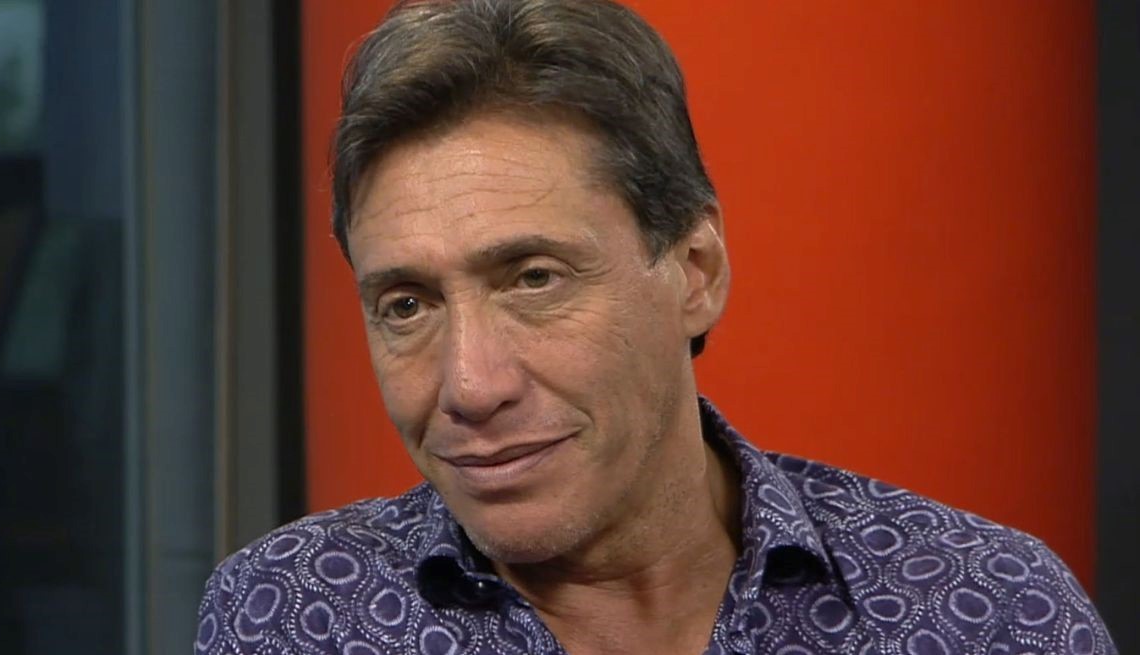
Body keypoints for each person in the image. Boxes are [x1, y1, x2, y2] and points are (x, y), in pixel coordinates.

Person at [195, 0, 1117, 652]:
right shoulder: (294, 615)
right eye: (407, 304)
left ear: (695, 272)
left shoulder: (979, 607)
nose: (470, 385)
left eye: (534, 278)